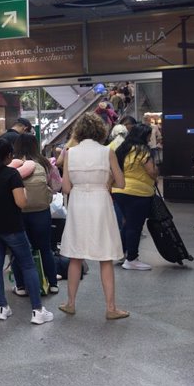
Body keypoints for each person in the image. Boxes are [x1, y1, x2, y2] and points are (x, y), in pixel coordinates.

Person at [58, 113, 129, 320]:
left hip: (78, 203)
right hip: (101, 203)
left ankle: (70, 303)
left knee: (75, 256)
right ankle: (111, 307)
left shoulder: (70, 153)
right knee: (105, 257)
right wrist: (106, 183)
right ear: (100, 131)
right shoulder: (108, 152)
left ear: (78, 131)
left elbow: (66, 188)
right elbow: (122, 183)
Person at [0, 138, 53, 325]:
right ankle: (37, 310)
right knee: (27, 264)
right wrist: (25, 194)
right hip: (11, 227)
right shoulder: (11, 175)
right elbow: (21, 202)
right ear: (8, 156)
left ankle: (2, 308)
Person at [10, 133, 62, 296]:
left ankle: (21, 286)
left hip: (18, 212)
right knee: (45, 248)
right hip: (41, 212)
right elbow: (56, 185)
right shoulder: (45, 163)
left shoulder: (13, 164)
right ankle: (52, 283)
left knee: (19, 250)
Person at [112, 124, 158, 271]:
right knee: (135, 225)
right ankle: (132, 258)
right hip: (137, 193)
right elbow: (151, 172)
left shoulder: (122, 149)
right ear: (144, 136)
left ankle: (121, 252)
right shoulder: (142, 150)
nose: (150, 139)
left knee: (127, 223)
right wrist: (157, 170)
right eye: (149, 136)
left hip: (119, 190)